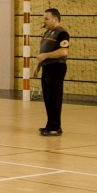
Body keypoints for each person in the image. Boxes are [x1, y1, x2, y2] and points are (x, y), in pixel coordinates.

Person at [35, 8, 69, 136]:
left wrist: (45, 56)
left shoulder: (62, 33)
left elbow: (63, 51)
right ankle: (50, 125)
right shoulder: (47, 32)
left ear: (55, 19)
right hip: (47, 68)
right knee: (48, 98)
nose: (44, 21)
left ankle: (55, 127)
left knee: (54, 97)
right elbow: (43, 52)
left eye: (46, 18)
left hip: (56, 68)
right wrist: (39, 65)